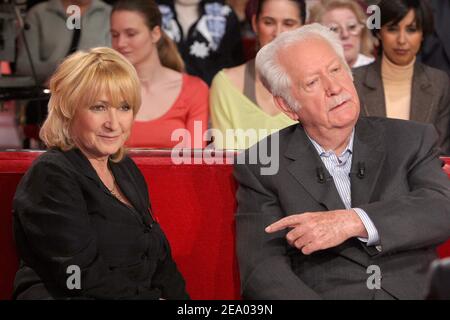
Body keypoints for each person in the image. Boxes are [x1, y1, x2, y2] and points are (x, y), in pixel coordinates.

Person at [234, 23, 450, 299]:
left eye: (336, 70)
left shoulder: (410, 139)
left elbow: (441, 209)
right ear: (287, 106)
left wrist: (354, 221)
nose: (334, 88)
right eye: (312, 82)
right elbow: (262, 271)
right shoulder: (262, 163)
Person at [12, 47, 189, 300]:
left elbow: (159, 259)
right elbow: (80, 276)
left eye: (124, 107)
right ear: (68, 110)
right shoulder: (51, 175)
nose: (113, 123)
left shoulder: (123, 168)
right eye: (99, 107)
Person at [353, 0, 450, 154]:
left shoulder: (439, 82)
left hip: (424, 177)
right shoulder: (354, 81)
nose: (402, 40)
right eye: (392, 29)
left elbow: (440, 152)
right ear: (378, 32)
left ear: (423, 33)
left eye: (411, 30)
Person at [111, 0, 209, 149]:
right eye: (115, 35)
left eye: (131, 34)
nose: (120, 43)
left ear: (155, 33)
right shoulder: (103, 89)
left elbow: (194, 161)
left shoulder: (194, 90)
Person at [15, 0, 112, 148]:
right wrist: (65, 74)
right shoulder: (39, 13)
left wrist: (72, 76)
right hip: (48, 105)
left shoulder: (108, 13)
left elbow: (114, 65)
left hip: (98, 103)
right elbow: (24, 67)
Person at [210, 0, 305, 149]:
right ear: (255, 23)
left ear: (303, 28)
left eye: (288, 23)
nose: (278, 33)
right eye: (268, 22)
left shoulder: (318, 83)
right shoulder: (226, 84)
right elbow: (225, 162)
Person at [157, 0, 244, 85]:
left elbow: (235, 67)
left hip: (212, 94)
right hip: (162, 93)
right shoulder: (153, 13)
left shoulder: (225, 15)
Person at [308, 0, 375, 68]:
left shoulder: (379, 71)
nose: (345, 34)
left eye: (352, 27)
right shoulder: (308, 72)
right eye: (334, 29)